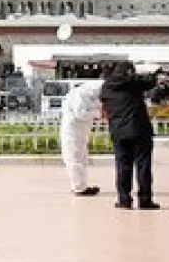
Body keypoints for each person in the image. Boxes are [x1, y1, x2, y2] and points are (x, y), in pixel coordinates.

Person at [99, 61, 160, 210]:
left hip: (119, 132)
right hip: (140, 130)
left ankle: (124, 200)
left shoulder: (106, 87)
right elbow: (150, 82)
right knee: (143, 166)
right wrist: (151, 73)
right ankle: (145, 200)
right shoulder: (133, 83)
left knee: (122, 166)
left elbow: (105, 107)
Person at [59, 78, 102, 196]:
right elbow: (81, 113)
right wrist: (99, 113)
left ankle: (81, 185)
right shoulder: (80, 95)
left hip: (79, 133)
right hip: (73, 133)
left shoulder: (87, 96)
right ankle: (78, 188)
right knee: (74, 159)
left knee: (81, 159)